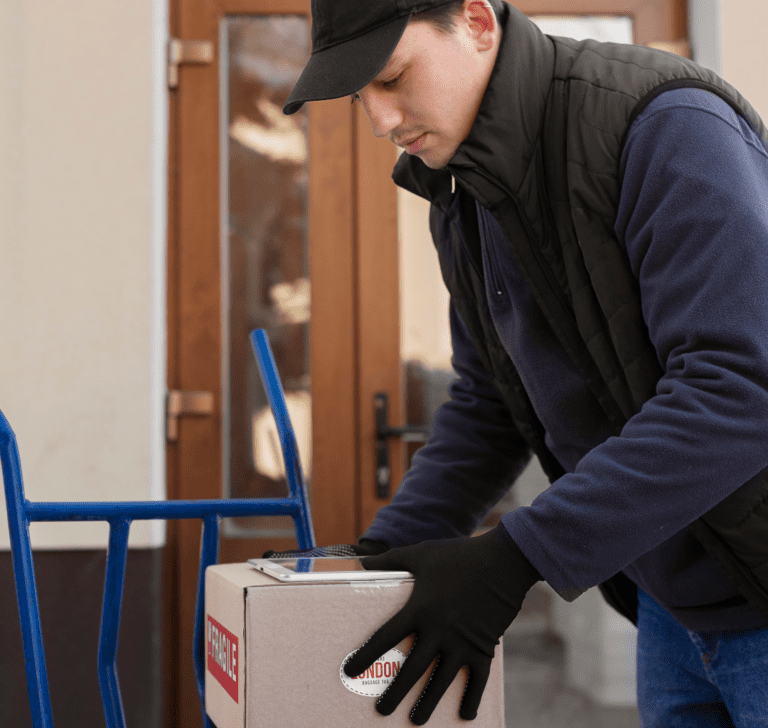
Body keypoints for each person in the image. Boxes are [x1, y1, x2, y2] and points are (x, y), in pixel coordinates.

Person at [269, 0, 768, 724]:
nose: (380, 121)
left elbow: (739, 390)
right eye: (359, 96)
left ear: (476, 21)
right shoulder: (461, 197)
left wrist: (516, 557)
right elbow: (490, 402)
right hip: (673, 605)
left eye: (395, 77)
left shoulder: (664, 127)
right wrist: (380, 555)